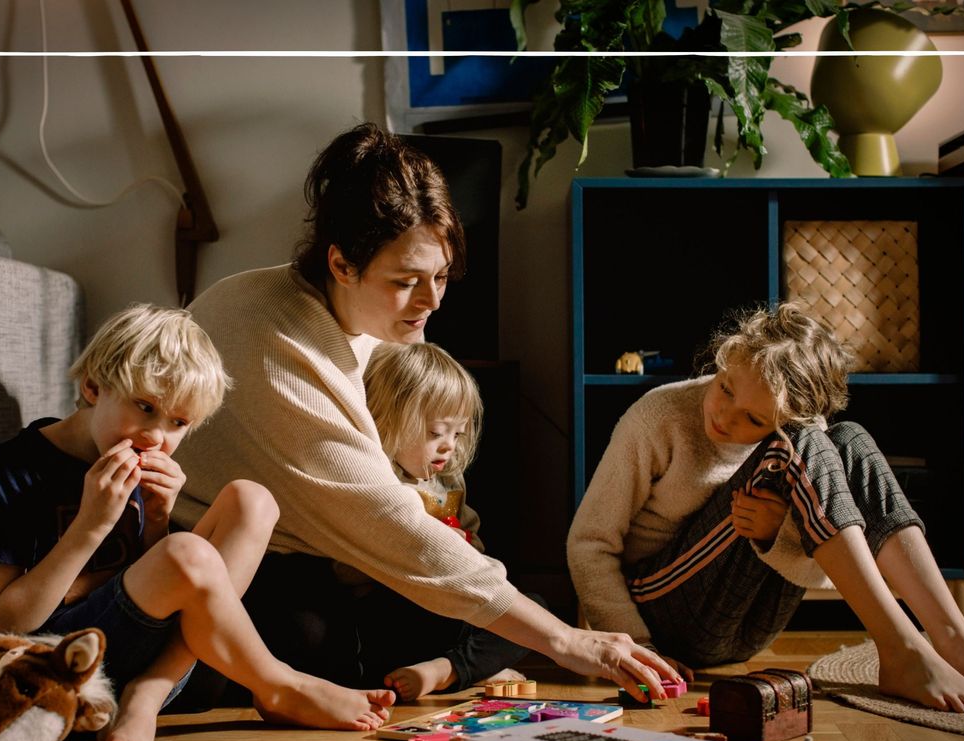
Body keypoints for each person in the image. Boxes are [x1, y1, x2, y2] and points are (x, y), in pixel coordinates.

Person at [171, 122, 681, 703]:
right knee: (322, 641)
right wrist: (568, 642)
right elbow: (387, 521)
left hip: (326, 559)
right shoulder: (277, 340)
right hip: (230, 562)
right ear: (341, 264)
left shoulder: (357, 322)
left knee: (493, 609)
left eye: (440, 277)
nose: (433, 299)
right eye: (406, 281)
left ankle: (442, 663)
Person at [0, 303, 395, 741]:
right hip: (69, 666)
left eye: (178, 423)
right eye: (144, 408)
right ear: (92, 387)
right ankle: (276, 684)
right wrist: (91, 527)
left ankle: (147, 694)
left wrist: (157, 519)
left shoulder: (140, 459)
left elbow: (151, 582)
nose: (156, 436)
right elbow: (4, 626)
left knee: (252, 500)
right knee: (187, 552)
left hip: (167, 663)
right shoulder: (8, 472)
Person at [567, 302, 964, 713]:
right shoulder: (657, 417)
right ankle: (901, 648)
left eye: (753, 418)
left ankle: (957, 642)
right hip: (660, 616)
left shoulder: (800, 431)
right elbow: (588, 546)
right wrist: (639, 648)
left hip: (749, 627)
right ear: (723, 359)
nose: (724, 415)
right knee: (795, 448)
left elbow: (824, 570)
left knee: (849, 438)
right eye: (726, 387)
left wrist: (779, 534)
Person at [354, 340, 531, 700]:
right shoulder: (375, 476)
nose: (449, 445)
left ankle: (447, 671)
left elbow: (472, 537)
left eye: (457, 433)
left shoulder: (448, 478)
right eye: (436, 433)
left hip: (448, 606)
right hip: (390, 611)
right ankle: (469, 668)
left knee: (532, 607)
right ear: (389, 418)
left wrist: (470, 553)